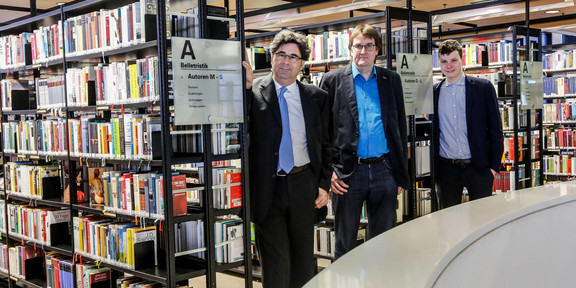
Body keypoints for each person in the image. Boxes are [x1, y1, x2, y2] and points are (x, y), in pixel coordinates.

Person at [242, 29, 331, 288]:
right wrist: (245, 88)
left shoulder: (317, 97)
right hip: (268, 188)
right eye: (281, 54)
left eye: (293, 57)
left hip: (304, 185)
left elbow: (326, 144)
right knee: (276, 262)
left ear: (302, 64)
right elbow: (239, 126)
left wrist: (324, 184)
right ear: (272, 57)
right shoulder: (253, 91)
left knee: (304, 259)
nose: (286, 61)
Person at [319, 24, 409, 261]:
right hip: (348, 173)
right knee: (345, 244)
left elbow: (400, 127)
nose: (363, 51)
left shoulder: (391, 80)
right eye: (358, 46)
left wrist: (398, 173)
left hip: (384, 171)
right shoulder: (332, 80)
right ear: (350, 50)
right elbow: (322, 133)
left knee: (383, 241)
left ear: (377, 49)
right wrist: (328, 173)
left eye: (369, 46)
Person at [433, 39, 504, 209]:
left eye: (453, 60)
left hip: (478, 168)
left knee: (481, 220)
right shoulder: (433, 92)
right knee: (448, 222)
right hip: (446, 170)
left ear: (462, 59)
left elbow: (496, 128)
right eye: (444, 61)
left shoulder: (483, 88)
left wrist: (493, 167)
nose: (448, 65)